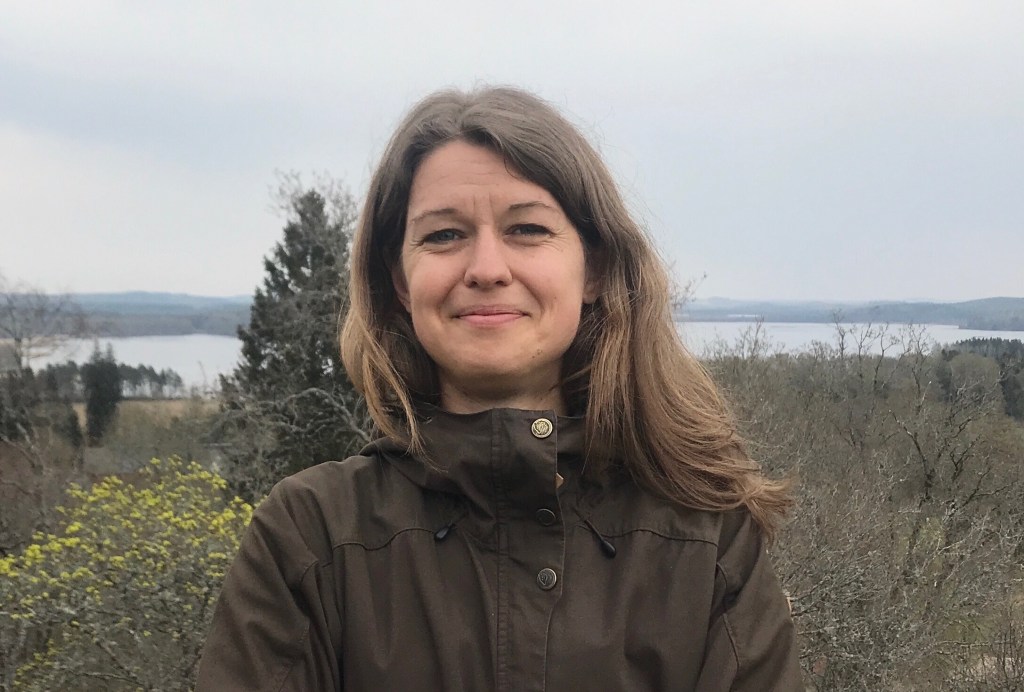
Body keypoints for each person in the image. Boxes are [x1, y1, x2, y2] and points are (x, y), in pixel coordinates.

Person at [196, 86, 802, 691]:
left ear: (593, 268)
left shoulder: (705, 538)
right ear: (401, 282)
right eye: (443, 235)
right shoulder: (311, 537)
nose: (486, 268)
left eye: (527, 229)